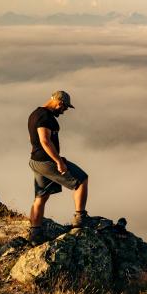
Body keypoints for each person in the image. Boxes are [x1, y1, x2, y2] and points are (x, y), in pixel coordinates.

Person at [27, 90, 90, 245]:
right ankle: (80, 218)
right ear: (59, 102)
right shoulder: (44, 117)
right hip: (47, 162)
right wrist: (58, 161)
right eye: (65, 107)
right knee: (81, 180)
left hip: (37, 160)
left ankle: (35, 234)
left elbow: (32, 138)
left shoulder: (35, 114)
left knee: (41, 197)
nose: (65, 110)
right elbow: (45, 141)